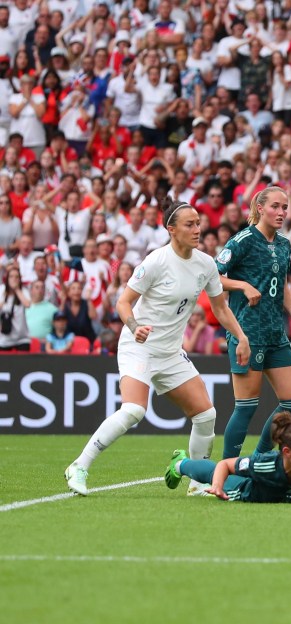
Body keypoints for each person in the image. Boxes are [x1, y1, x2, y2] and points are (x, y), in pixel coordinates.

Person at [64, 199, 252, 497]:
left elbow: (220, 308)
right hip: (139, 347)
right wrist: (134, 325)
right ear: (171, 229)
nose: (197, 229)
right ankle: (79, 465)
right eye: (189, 224)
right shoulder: (155, 261)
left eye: (198, 223)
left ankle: (198, 482)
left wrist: (241, 337)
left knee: (206, 415)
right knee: (134, 411)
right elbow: (123, 302)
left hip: (170, 352)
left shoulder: (205, 264)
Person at [216, 187, 291, 460]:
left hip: (274, 332)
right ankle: (227, 469)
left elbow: (281, 285)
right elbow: (211, 275)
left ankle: (258, 460)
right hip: (247, 333)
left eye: (285, 207)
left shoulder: (284, 243)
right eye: (275, 207)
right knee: (246, 406)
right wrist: (242, 285)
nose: (281, 212)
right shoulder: (243, 240)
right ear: (260, 208)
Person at [165, 412, 291, 505]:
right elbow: (225, 464)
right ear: (286, 452)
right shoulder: (265, 463)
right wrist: (217, 486)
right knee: (213, 472)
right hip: (243, 492)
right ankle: (180, 464)